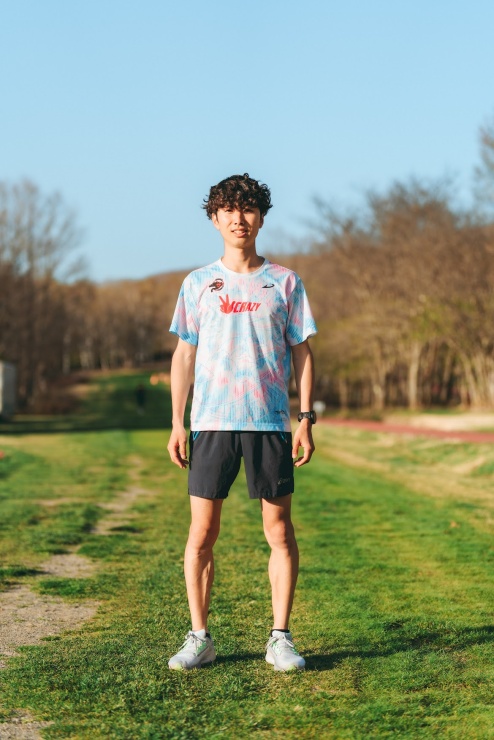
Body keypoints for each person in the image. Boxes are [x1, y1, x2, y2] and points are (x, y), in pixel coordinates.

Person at [167, 173, 317, 672]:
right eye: (228, 210)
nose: (239, 218)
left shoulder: (285, 282)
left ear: (261, 218)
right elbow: (184, 356)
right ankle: (199, 637)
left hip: (269, 422)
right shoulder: (197, 283)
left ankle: (280, 638)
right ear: (214, 218)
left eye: (248, 209)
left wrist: (305, 418)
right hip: (211, 422)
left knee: (279, 530)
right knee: (201, 533)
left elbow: (303, 352)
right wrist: (177, 423)